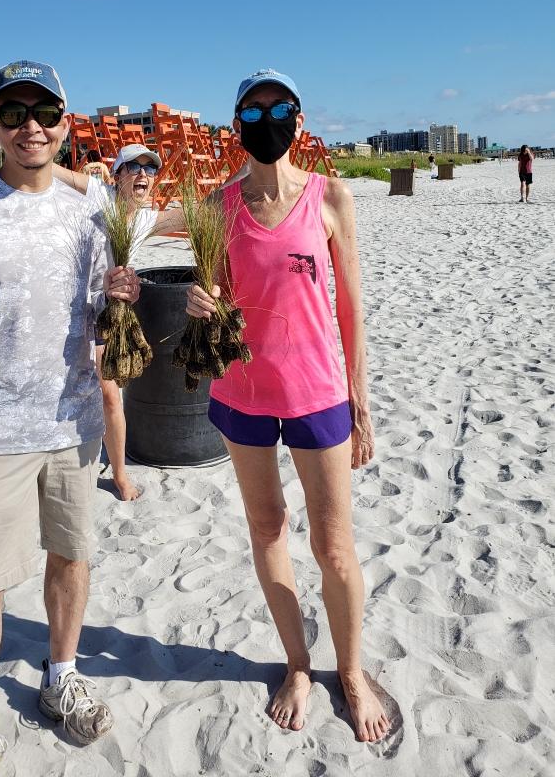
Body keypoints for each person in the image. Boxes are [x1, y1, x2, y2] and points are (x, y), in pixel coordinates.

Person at [0, 60, 141, 776]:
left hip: (74, 425)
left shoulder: (90, 213)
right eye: (13, 113)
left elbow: (94, 317)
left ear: (65, 124)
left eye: (44, 111)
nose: (31, 126)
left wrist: (118, 297)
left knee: (72, 560)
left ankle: (60, 674)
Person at [186, 69, 390, 743]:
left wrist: (361, 402)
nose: (266, 118)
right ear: (237, 123)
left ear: (299, 121)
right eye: (253, 108)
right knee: (267, 528)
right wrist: (203, 305)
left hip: (318, 392)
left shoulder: (331, 196)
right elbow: (214, 299)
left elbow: (350, 304)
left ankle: (352, 672)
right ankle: (299, 666)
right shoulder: (217, 208)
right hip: (243, 393)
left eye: (279, 107)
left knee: (334, 548)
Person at [0, 97, 184, 501]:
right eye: (133, 166)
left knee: (110, 394)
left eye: (150, 167)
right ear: (116, 175)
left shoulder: (147, 218)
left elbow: (200, 215)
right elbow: (44, 164)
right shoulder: (98, 195)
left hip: (111, 310)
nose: (142, 173)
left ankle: (118, 473)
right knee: (97, 391)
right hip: (70, 308)